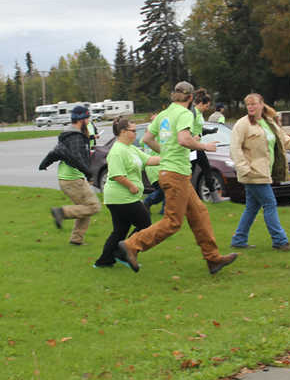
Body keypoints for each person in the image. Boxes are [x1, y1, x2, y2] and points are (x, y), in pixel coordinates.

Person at [114, 81, 238, 274]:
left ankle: (213, 259)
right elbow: (183, 139)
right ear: (191, 98)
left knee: (199, 215)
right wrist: (205, 146)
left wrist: (166, 153)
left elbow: (147, 139)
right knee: (172, 222)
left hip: (171, 173)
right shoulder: (184, 114)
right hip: (176, 175)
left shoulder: (164, 114)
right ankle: (131, 245)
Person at [229, 93, 290, 251]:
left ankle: (238, 240)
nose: (251, 107)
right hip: (253, 174)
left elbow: (284, 140)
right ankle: (280, 241)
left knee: (252, 207)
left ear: (261, 104)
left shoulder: (269, 122)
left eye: (254, 104)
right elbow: (235, 149)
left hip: (265, 172)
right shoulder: (242, 124)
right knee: (270, 203)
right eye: (248, 104)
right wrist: (245, 169)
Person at [93, 117, 160, 268]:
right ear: (123, 132)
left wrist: (168, 159)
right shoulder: (117, 151)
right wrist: (131, 186)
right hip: (121, 197)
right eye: (133, 131)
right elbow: (116, 175)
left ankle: (104, 261)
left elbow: (149, 160)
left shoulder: (131, 148)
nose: (136, 134)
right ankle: (125, 251)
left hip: (123, 198)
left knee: (120, 231)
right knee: (145, 224)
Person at [38, 105, 101, 245]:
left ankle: (76, 239)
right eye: (87, 118)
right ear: (81, 119)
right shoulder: (75, 137)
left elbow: (56, 152)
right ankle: (61, 212)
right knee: (93, 207)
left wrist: (44, 164)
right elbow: (77, 158)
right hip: (73, 179)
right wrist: (89, 174)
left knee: (84, 208)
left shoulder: (70, 134)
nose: (89, 121)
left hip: (70, 178)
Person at [191, 88, 223, 203]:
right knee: (189, 173)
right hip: (191, 148)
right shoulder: (192, 113)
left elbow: (199, 129)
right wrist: (197, 136)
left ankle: (215, 197)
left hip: (198, 147)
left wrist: (210, 131)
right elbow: (188, 131)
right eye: (206, 106)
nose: (207, 108)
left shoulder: (199, 114)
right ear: (200, 103)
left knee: (207, 170)